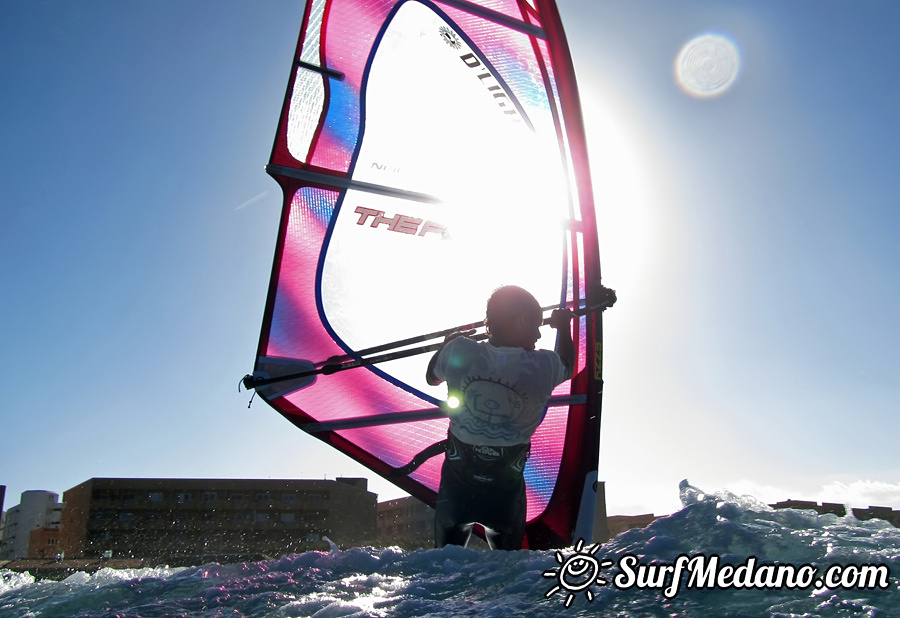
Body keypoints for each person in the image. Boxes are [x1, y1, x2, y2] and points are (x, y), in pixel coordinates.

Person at [425, 285, 576, 550]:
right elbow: (569, 364)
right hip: (504, 493)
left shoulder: (460, 350)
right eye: (537, 325)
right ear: (522, 319)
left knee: (443, 565)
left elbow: (432, 378)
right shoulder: (544, 366)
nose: (539, 334)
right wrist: (563, 327)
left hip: (457, 485)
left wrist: (447, 344)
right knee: (506, 573)